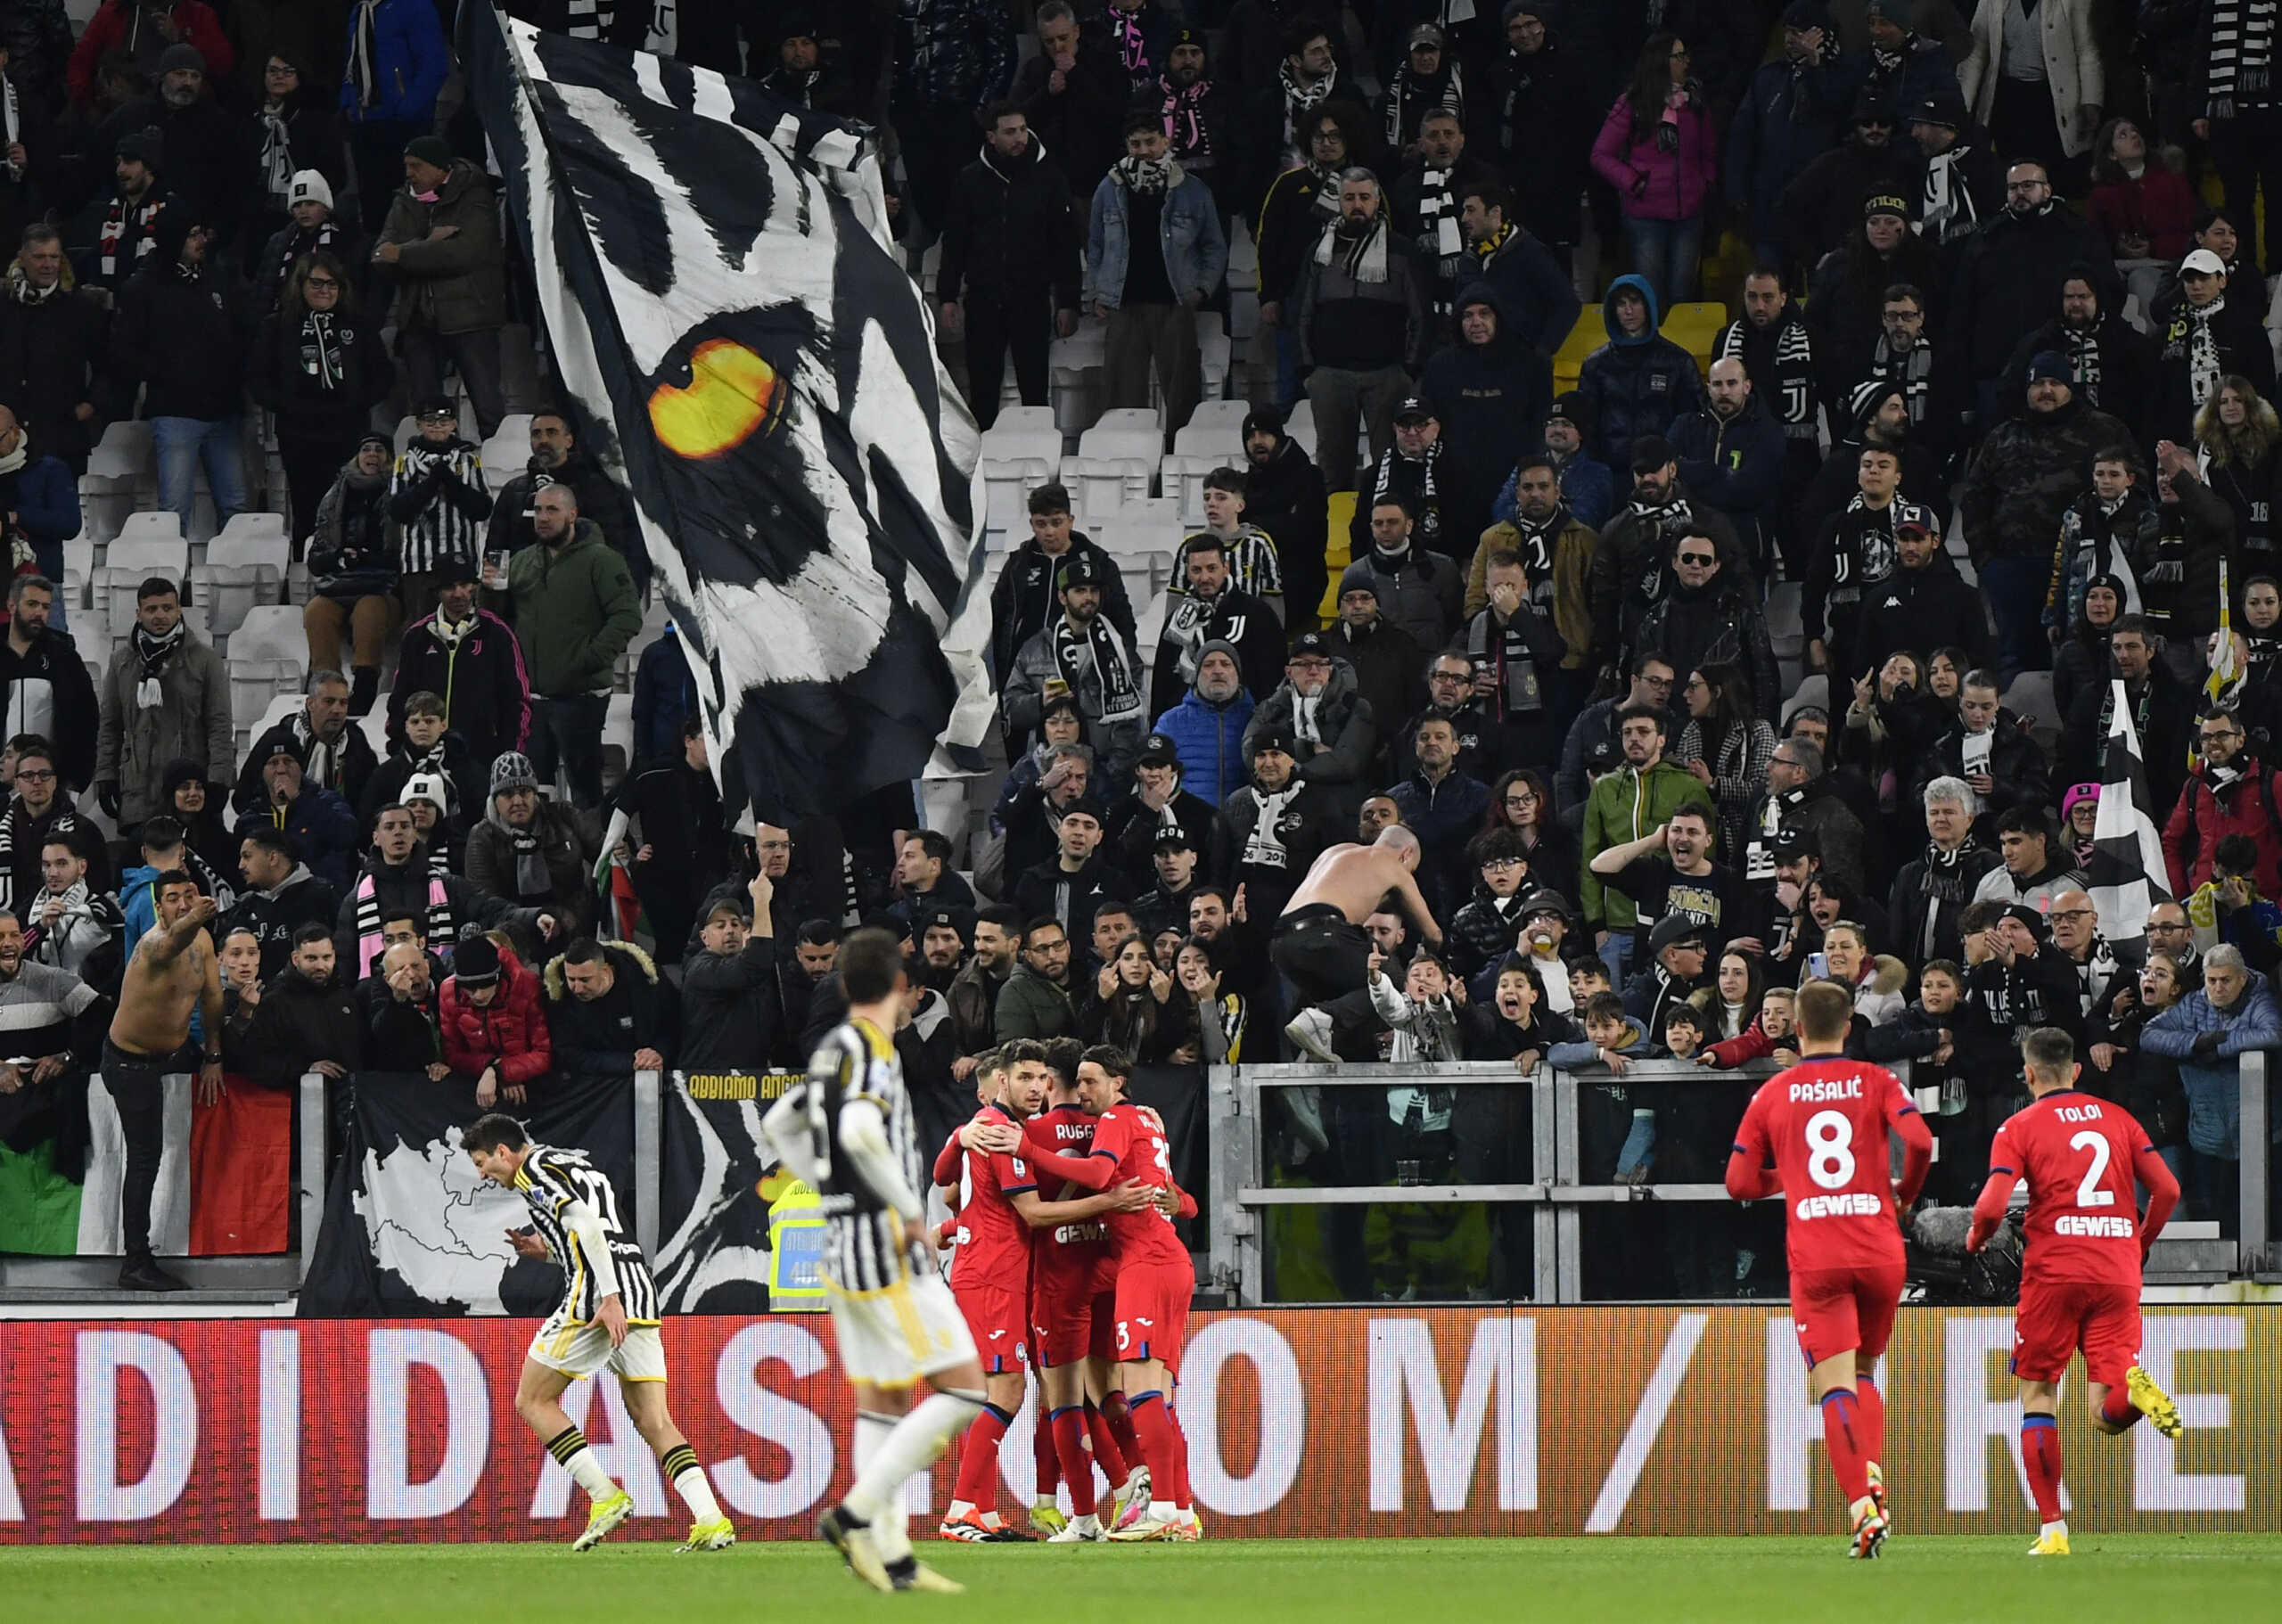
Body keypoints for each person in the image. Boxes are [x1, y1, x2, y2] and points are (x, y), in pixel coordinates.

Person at [760, 931, 980, 1593]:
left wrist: (828, 1188)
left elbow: (779, 1126)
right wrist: (906, 1210)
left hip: (840, 1247)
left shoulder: (829, 1051)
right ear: (900, 985)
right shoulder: (874, 1049)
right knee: (967, 1390)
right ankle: (856, 1516)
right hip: (885, 1245)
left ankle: (895, 1559)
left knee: (881, 1404)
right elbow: (858, 1131)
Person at [464, 1111, 735, 1554]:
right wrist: (548, 1251)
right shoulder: (572, 1163)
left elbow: (588, 1226)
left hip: (598, 1296)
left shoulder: (535, 1172)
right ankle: (711, 1520)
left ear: (503, 1152)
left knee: (532, 1400)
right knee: (654, 1420)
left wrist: (607, 1298)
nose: (481, 1174)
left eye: (481, 1162)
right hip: (639, 1290)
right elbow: (600, 1228)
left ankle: (604, 1495)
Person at [1726, 978, 1932, 1559]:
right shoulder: (1876, 1079)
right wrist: (1904, 1195)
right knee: (1865, 1371)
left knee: (1831, 1383)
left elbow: (1738, 1183)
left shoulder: (1776, 1093)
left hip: (1817, 1254)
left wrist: (1788, 1179)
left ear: (1796, 1027)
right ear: (1847, 1027)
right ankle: (1871, 1471)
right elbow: (1920, 1140)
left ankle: (1862, 1505)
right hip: (1878, 1246)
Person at [1966, 1027, 2183, 1557]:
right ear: (2077, 1072)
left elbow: (1993, 1207)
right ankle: (2133, 1394)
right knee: (2103, 1414)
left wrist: (1975, 1240)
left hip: (2055, 1272)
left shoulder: (2018, 1126)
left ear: (2030, 1073)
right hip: (2116, 1268)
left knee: (2039, 1394)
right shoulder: (2118, 1119)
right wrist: (2138, 1241)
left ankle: (2053, 1530)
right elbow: (2168, 1189)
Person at [1010, 1044, 1200, 1541]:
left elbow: (1096, 1174)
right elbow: (1189, 1206)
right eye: (1081, 1080)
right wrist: (1172, 1198)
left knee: (1140, 1396)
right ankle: (1179, 1512)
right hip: (1169, 1262)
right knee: (1154, 1396)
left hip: (1141, 1266)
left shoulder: (1116, 1119)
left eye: (1092, 1080)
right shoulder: (1149, 1122)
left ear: (1119, 1082)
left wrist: (1026, 1150)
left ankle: (1155, 1506)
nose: (1084, 1089)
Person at [1957, 356, 2133, 681]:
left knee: (2084, 659)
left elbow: (2134, 490)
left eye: (2055, 383)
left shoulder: (2103, 430)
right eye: (2038, 384)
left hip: (2081, 571)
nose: (2046, 391)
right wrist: (1987, 561)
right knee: (2015, 660)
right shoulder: (2003, 436)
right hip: (2013, 567)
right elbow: (1974, 496)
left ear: (2070, 388)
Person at [103, 871, 221, 1291]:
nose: (183, 904)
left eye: (189, 895)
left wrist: (213, 1055)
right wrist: (197, 915)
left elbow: (211, 999)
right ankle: (135, 1262)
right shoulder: (153, 943)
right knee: (145, 1156)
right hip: (129, 1062)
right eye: (173, 898)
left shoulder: (204, 941)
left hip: (173, 1051)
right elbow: (174, 941)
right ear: (158, 908)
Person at [938, 102, 1080, 432]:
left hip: (1031, 296)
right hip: (983, 298)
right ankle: (983, 464)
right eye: (1010, 131)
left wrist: (1068, 302)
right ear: (991, 137)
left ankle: (1040, 458)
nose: (1020, 137)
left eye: (1022, 129)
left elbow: (1065, 245)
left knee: (1034, 389)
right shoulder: (970, 178)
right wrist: (947, 295)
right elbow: (955, 240)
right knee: (983, 389)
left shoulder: (1050, 176)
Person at [1944, 163, 2117, 429]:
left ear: (2047, 190)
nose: (2019, 193)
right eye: (2013, 187)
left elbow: (2109, 292)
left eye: (2028, 186)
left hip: (2063, 370)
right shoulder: (1986, 239)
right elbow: (1962, 310)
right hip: (1996, 369)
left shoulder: (2078, 234)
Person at [111, 208, 250, 534]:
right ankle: (175, 584)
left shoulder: (219, 278)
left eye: (203, 233)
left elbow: (243, 332)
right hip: (174, 413)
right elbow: (123, 350)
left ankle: (233, 579)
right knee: (174, 511)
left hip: (224, 413)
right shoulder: (142, 287)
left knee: (237, 508)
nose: (202, 241)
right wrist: (165, 372)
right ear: (173, 239)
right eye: (193, 234)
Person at [505, 485, 641, 810]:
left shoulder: (602, 560)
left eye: (552, 510)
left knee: (586, 794)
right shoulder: (522, 561)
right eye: (538, 510)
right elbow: (499, 617)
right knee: (534, 792)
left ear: (572, 514)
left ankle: (592, 858)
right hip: (532, 699)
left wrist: (589, 660)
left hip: (580, 697)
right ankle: (543, 858)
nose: (542, 518)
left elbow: (627, 616)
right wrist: (488, 589)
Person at [1088, 111, 1223, 436]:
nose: (1144, 150)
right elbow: (1095, 245)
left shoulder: (1193, 190)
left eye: (1150, 141)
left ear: (1165, 141)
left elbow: (1214, 247)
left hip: (1175, 304)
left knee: (1182, 397)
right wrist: (1096, 291)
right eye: (1135, 144)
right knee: (1121, 397)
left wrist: (1203, 289)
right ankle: (1123, 462)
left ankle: (1179, 462)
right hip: (1124, 305)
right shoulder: (1109, 188)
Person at [1294, 168, 1429, 494]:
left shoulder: (1402, 251)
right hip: (1330, 376)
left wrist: (1409, 369)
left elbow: (1420, 316)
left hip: (1387, 376)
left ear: (1377, 200)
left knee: (1392, 466)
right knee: (1332, 469)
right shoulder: (1319, 250)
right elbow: (1301, 313)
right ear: (1338, 201)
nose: (1357, 205)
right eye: (1350, 197)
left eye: (1365, 198)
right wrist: (1310, 369)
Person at [1274, 824, 1444, 1061]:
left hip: (1282, 943)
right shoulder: (1392, 864)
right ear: (1406, 854)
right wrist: (1425, 960)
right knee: (1395, 983)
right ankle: (1317, 1020)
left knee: (1349, 1002)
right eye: (1411, 869)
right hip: (1324, 934)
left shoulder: (1334, 853)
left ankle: (1319, 1043)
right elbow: (1434, 934)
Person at [375, 135, 505, 440]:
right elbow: (380, 256)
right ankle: (428, 471)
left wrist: (404, 254)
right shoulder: (403, 200)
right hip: (418, 320)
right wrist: (431, 243)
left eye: (416, 166)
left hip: (470, 317)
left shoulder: (473, 195)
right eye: (407, 166)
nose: (409, 173)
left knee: (489, 410)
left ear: (439, 167)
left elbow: (464, 254)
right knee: (424, 411)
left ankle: (499, 476)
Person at [1580, 704, 1717, 982]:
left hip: (1669, 925)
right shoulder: (1604, 788)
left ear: (1662, 739)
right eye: (1627, 732)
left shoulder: (1688, 786)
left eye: (1643, 731)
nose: (1634, 738)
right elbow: (1589, 857)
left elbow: (1707, 856)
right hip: (1614, 928)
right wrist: (1597, 926)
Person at [94, 576, 233, 833]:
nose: (160, 615)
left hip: (191, 795)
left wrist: (219, 780)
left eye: (167, 608)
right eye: (151, 609)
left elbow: (220, 725)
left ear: (179, 610)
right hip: (138, 794)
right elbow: (110, 726)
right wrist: (105, 775)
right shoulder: (121, 662)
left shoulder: (206, 660)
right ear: (139, 614)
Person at [1589, 32, 1718, 308]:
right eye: (1678, 55)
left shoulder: (1695, 101)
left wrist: (1704, 183)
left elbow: (1709, 152)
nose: (1686, 61)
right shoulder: (1633, 102)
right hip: (1646, 216)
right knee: (1652, 295)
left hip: (1689, 214)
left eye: (1685, 54)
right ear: (1660, 60)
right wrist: (1634, 183)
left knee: (1683, 292)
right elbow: (1601, 154)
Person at [1725, 5, 1852, 270]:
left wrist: (1815, 66)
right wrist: (1737, 186)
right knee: (1770, 280)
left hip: (1820, 207)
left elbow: (1835, 107)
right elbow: (1743, 134)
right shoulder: (1769, 76)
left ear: (1821, 35)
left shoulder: (1844, 74)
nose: (1789, 40)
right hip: (1770, 204)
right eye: (1787, 32)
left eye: (1798, 33)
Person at [1000, 553, 1147, 783]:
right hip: (1047, 772)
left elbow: (1131, 722)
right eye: (1080, 591)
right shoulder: (1035, 648)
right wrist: (1041, 702)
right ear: (1062, 596)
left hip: (1104, 773)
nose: (1089, 597)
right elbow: (1010, 709)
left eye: (1094, 590)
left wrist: (1112, 773)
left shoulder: (1120, 651)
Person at [989, 482, 1136, 687]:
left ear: (1071, 521)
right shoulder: (1017, 565)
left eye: (1057, 522)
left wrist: (1125, 666)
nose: (1049, 531)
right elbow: (996, 616)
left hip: (1083, 665)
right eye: (1041, 524)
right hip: (1026, 668)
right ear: (1031, 524)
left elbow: (1122, 618)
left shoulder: (1097, 562)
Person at [389, 557, 529, 771]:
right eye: (449, 587)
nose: (458, 593)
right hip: (423, 761)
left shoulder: (497, 633)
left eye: (464, 585)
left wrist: (509, 755)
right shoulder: (417, 636)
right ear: (437, 591)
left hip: (482, 759)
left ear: (474, 586)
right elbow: (400, 698)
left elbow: (517, 701)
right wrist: (399, 749)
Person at [483, 407, 641, 590]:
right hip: (524, 600)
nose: (543, 440)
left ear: (569, 440)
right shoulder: (513, 491)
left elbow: (614, 545)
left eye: (552, 433)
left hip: (579, 597)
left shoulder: (596, 488)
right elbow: (496, 550)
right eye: (536, 434)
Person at [0, 226, 110, 476]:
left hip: (63, 438)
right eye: (39, 257)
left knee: (60, 513)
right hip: (8, 442)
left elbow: (110, 365)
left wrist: (91, 405)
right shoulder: (4, 307)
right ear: (22, 257)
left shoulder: (81, 309)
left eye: (54, 257)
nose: (48, 264)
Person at [1958, 0, 2102, 186]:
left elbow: (2087, 50)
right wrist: (1964, 105)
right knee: (2015, 176)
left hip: (2053, 101)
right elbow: (1977, 51)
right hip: (2009, 101)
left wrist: (2091, 100)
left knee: (2055, 178)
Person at [302, 434, 398, 707]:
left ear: (389, 458)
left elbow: (401, 557)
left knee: (369, 609)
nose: (372, 455)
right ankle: (326, 686)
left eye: (380, 450)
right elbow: (316, 560)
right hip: (340, 584)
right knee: (316, 611)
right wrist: (340, 558)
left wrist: (366, 558)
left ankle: (366, 684)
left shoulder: (400, 494)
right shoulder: (334, 497)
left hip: (384, 587)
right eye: (366, 449)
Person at [1147, 535, 1284, 720]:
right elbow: (1162, 687)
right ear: (1187, 572)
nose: (1204, 577)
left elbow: (1272, 678)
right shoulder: (1176, 622)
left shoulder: (1257, 613)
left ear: (1226, 568)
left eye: (1212, 568)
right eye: (1196, 570)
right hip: (1191, 726)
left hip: (1244, 723)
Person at [1577, 276, 1703, 477]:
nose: (1628, 311)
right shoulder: (1596, 364)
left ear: (1648, 305)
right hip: (1611, 471)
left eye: (1635, 301)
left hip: (1663, 472)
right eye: (1621, 304)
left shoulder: (1678, 361)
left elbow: (1692, 422)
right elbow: (1585, 425)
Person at [465, 750, 595, 941]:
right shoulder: (482, 837)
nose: (518, 801)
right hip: (511, 931)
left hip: (573, 923)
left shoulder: (563, 816)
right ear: (494, 800)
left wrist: (625, 853)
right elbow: (487, 903)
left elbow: (604, 849)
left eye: (525, 792)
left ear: (535, 794)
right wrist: (535, 917)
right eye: (508, 794)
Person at [1451, 180, 1580, 361]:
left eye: (1471, 210)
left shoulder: (1531, 252)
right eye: (1464, 211)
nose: (1464, 218)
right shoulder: (1468, 259)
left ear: (1495, 212)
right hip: (1476, 361)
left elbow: (1568, 304)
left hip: (1521, 363)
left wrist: (1542, 350)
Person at [389, 396, 488, 623]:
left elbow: (482, 509)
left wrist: (451, 483)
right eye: (430, 420)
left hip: (462, 560)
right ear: (419, 424)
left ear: (454, 424)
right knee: (420, 629)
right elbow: (398, 511)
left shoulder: (470, 461)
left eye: (443, 421)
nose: (437, 426)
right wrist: (432, 483)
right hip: (420, 563)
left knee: (464, 629)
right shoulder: (405, 462)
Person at [236, 668, 376, 818]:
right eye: (329, 702)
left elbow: (371, 800)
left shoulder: (356, 741)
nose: (337, 710)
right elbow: (242, 798)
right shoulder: (277, 738)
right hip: (282, 831)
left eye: (343, 703)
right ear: (310, 704)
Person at [0, 577, 97, 791]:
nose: (39, 613)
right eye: (32, 604)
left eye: (45, 606)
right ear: (11, 605)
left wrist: (76, 781)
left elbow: (86, 721)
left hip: (50, 785)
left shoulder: (64, 657)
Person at [251, 167, 364, 314]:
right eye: (297, 205)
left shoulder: (346, 241)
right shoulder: (278, 242)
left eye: (310, 203)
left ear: (325, 207)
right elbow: (262, 290)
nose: (303, 210)